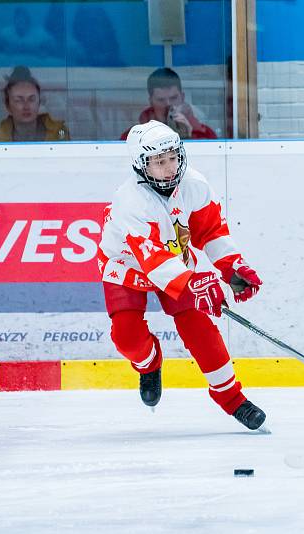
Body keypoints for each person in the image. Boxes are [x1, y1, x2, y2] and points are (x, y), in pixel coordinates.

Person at [98, 120, 265, 430]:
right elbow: (153, 258)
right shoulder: (130, 201)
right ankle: (149, 364)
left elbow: (211, 230)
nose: (169, 167)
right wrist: (195, 283)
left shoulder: (194, 184)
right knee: (127, 338)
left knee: (198, 325)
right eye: (159, 162)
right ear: (141, 164)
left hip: (173, 261)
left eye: (173, 157)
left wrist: (231, 266)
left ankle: (231, 398)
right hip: (127, 265)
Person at [120, 68, 216, 140]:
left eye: (174, 98)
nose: (168, 105)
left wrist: (189, 137)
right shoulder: (133, 136)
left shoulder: (206, 134)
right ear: (151, 101)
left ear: (182, 97)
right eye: (161, 100)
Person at [0, 66, 68, 142]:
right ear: (8, 106)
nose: (26, 106)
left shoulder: (60, 134)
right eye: (18, 100)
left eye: (31, 99)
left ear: (39, 103)